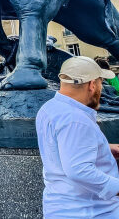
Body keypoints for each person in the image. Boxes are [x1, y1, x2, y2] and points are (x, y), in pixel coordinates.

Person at [36, 56, 119, 217]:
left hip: (63, 207)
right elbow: (78, 170)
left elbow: (64, 149)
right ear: (92, 85)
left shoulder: (49, 108)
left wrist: (104, 149)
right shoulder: (75, 119)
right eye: (101, 82)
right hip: (91, 211)